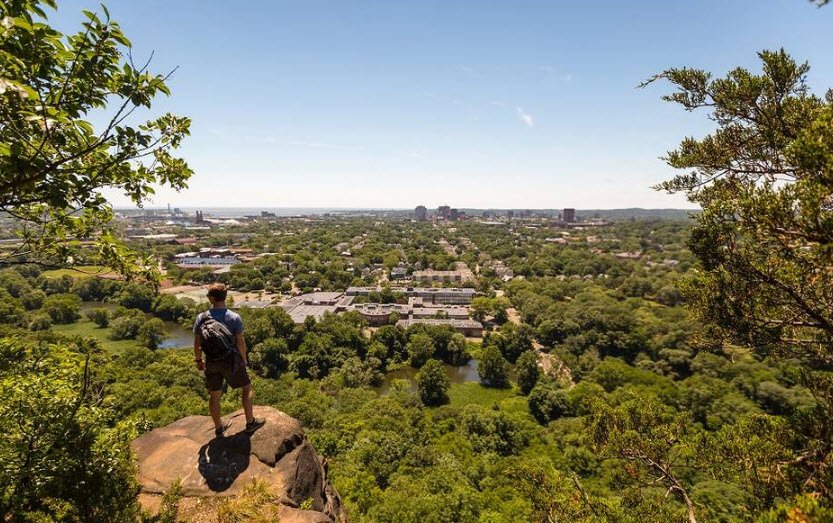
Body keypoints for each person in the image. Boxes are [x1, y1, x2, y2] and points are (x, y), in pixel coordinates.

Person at [193, 283, 265, 437]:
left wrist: (198, 360)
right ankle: (250, 423)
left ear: (212, 299)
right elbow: (240, 342)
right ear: (225, 297)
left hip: (211, 361)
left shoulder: (201, 318)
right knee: (246, 388)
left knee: (214, 394)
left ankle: (219, 428)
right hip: (230, 361)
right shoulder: (234, 317)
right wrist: (243, 359)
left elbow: (197, 343)